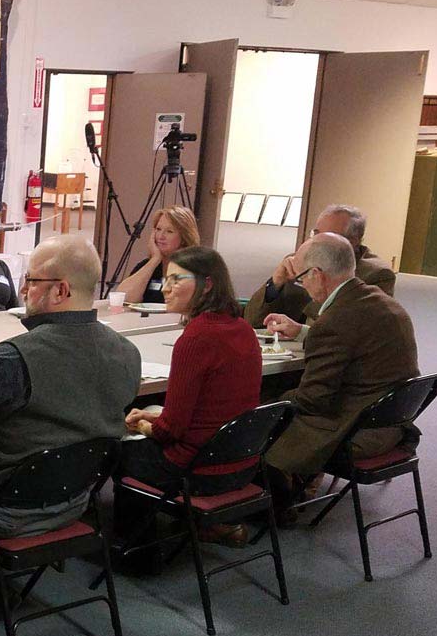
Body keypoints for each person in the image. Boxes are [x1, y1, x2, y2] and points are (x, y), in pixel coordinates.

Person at [0, 235, 141, 535]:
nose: (23, 289)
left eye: (31, 280)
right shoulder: (128, 353)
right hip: (75, 500)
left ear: (61, 290)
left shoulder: (15, 359)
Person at [263, 233, 419, 520]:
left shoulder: (335, 320)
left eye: (302, 278)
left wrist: (267, 403)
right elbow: (355, 344)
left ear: (317, 274)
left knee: (255, 419)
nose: (303, 285)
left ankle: (276, 508)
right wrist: (303, 332)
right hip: (392, 423)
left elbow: (313, 400)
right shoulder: (383, 304)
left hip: (356, 431)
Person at [119, 246, 262, 547]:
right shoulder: (243, 329)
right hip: (242, 464)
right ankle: (205, 526)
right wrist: (155, 416)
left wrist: (139, 425)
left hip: (198, 470)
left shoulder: (196, 338)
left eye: (176, 280)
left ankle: (137, 554)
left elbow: (170, 431)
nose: (166, 289)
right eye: (166, 280)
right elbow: (210, 409)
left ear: (207, 284)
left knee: (117, 451)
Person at [244, 204, 396, 330]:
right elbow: (252, 321)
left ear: (353, 241)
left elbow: (350, 331)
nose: (316, 242)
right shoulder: (298, 260)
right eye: (315, 234)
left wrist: (300, 330)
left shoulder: (376, 274)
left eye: (327, 236)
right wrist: (275, 284)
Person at [116, 205, 200, 305]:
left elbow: (179, 305)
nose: (161, 236)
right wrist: (155, 260)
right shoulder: (148, 265)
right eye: (158, 229)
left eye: (169, 231)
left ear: (184, 237)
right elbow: (124, 298)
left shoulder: (193, 269)